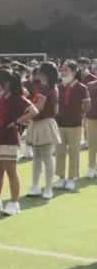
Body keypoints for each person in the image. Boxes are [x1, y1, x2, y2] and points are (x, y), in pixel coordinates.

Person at [0, 68, 36, 216]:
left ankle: (14, 203)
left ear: (5, 82)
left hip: (10, 138)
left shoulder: (17, 97)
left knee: (11, 172)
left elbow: (33, 111)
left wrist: (17, 122)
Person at [25, 62, 61, 200]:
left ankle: (48, 187)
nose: (37, 73)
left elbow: (39, 107)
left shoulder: (46, 88)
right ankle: (35, 186)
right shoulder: (45, 87)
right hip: (39, 123)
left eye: (40, 71)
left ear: (45, 73)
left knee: (45, 157)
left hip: (44, 123)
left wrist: (24, 112)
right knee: (37, 157)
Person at [54, 60, 90, 191]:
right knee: (60, 152)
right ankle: (61, 178)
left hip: (75, 125)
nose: (63, 73)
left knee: (74, 153)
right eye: (62, 70)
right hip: (59, 124)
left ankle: (71, 178)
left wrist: (80, 115)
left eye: (66, 70)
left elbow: (87, 105)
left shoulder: (82, 87)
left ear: (74, 72)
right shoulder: (57, 87)